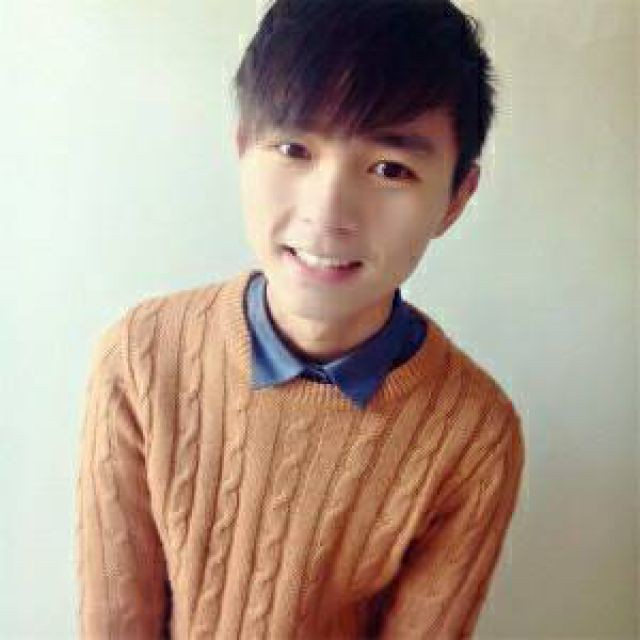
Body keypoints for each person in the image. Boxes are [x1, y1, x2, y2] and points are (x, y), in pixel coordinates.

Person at [75, 0, 526, 638]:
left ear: (455, 199)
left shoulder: (474, 434)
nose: (328, 212)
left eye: (390, 168)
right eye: (294, 148)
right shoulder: (142, 355)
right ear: (242, 147)